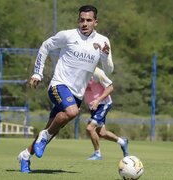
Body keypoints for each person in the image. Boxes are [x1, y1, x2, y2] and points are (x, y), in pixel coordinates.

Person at [17, 5, 115, 173]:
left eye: (89, 20)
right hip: (59, 85)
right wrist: (37, 74)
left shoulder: (103, 41)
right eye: (82, 20)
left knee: (51, 129)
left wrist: (105, 56)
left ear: (95, 22)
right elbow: (45, 46)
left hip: (77, 94)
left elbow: (108, 70)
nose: (84, 23)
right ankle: (44, 137)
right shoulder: (67, 35)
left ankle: (25, 155)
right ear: (78, 20)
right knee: (72, 112)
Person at [84, 67, 128, 160]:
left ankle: (97, 154)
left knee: (90, 128)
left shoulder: (97, 72)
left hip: (103, 104)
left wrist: (97, 100)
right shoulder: (80, 72)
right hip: (93, 107)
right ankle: (122, 142)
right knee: (102, 133)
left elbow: (110, 87)